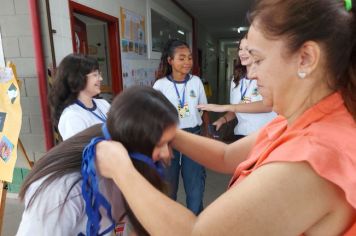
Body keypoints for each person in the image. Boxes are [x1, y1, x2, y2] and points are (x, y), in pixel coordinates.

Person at [95, 0, 356, 235]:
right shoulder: (294, 120)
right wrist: (164, 131)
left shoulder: (316, 157)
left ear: (306, 58)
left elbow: (196, 233)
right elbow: (226, 156)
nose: (251, 74)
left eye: (257, 59)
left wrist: (121, 169)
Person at [17, 86, 179, 235]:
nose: (168, 154)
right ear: (134, 141)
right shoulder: (64, 189)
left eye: (169, 143)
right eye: (160, 144)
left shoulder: (131, 168)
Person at [153, 39, 210, 215]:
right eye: (182, 58)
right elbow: (154, 116)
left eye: (190, 58)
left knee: (195, 186)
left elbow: (204, 110)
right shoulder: (160, 85)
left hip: (194, 136)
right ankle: (171, 224)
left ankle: (195, 223)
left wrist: (206, 135)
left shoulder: (196, 82)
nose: (187, 62)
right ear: (170, 61)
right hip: (169, 138)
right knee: (168, 185)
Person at [198, 36, 276, 140]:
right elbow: (235, 110)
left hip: (266, 136)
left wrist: (225, 107)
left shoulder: (269, 75)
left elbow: (268, 106)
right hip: (241, 134)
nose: (242, 53)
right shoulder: (236, 79)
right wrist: (222, 120)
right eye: (240, 48)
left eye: (247, 49)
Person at [49, 53, 110, 140]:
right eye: (95, 75)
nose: (100, 78)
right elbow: (80, 151)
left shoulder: (103, 104)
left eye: (99, 74)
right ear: (77, 78)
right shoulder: (72, 116)